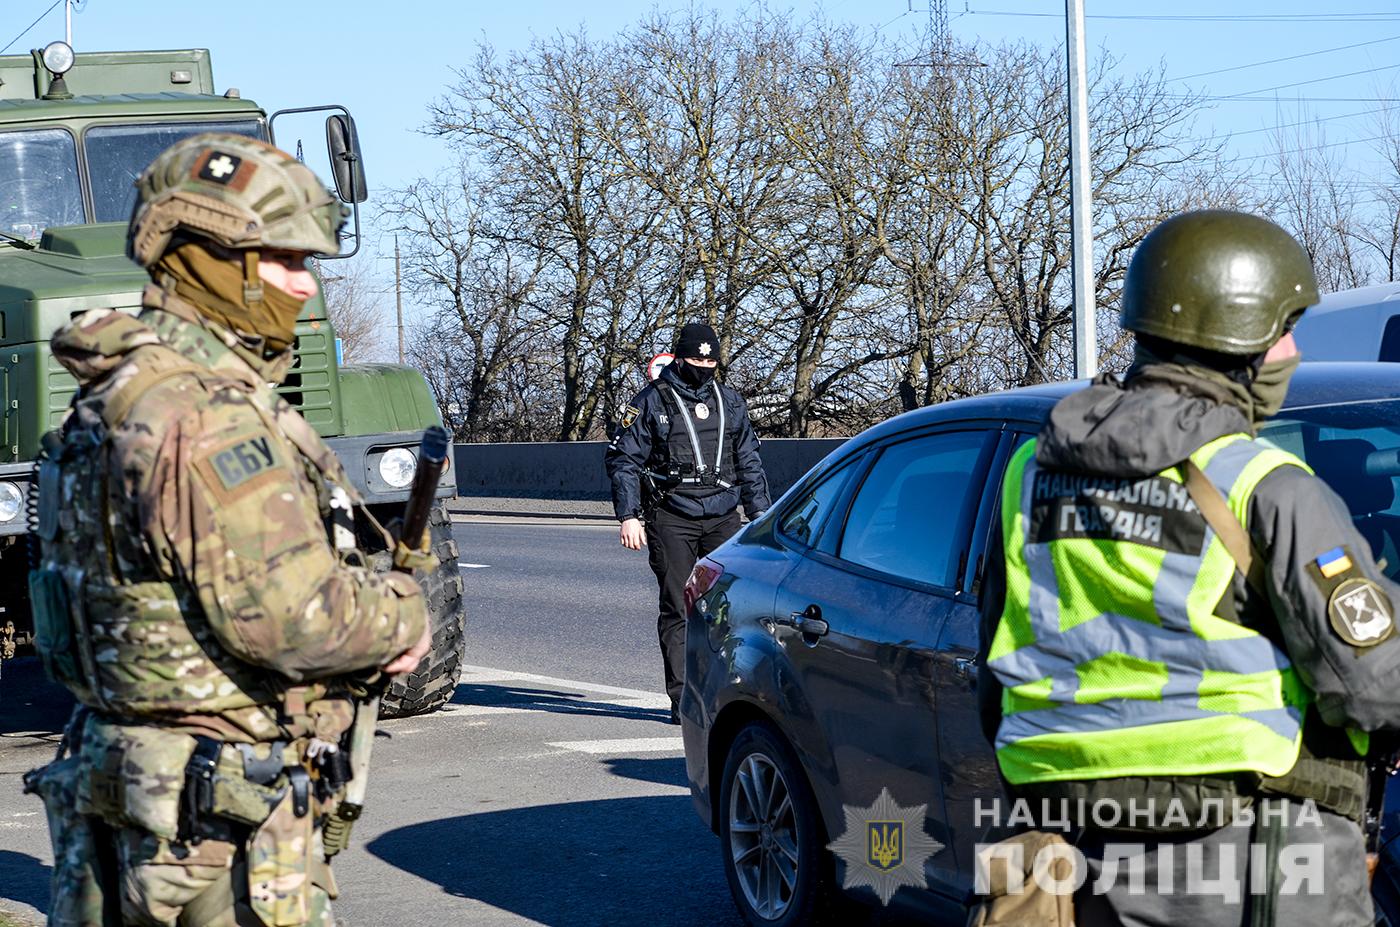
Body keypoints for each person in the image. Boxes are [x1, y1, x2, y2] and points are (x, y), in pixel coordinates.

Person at [24, 134, 431, 927]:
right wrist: (401, 615)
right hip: (213, 837)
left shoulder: (115, 396)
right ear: (214, 262)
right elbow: (293, 619)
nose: (305, 289)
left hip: (136, 801)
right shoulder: (200, 415)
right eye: (285, 261)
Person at [978, 209, 1400, 925]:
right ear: (1238, 338)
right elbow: (1377, 687)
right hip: (1256, 861)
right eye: (1283, 328)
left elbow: (996, 658)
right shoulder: (1267, 485)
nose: (1294, 349)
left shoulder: (1028, 474)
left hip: (1068, 862)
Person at [606, 323, 771, 724]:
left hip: (723, 517)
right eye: (696, 359)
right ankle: (684, 700)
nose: (704, 366)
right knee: (678, 609)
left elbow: (749, 461)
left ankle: (730, 692)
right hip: (671, 516)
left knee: (728, 609)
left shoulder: (730, 402)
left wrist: (762, 517)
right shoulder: (650, 402)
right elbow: (624, 461)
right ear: (678, 358)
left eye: (711, 360)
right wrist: (628, 516)